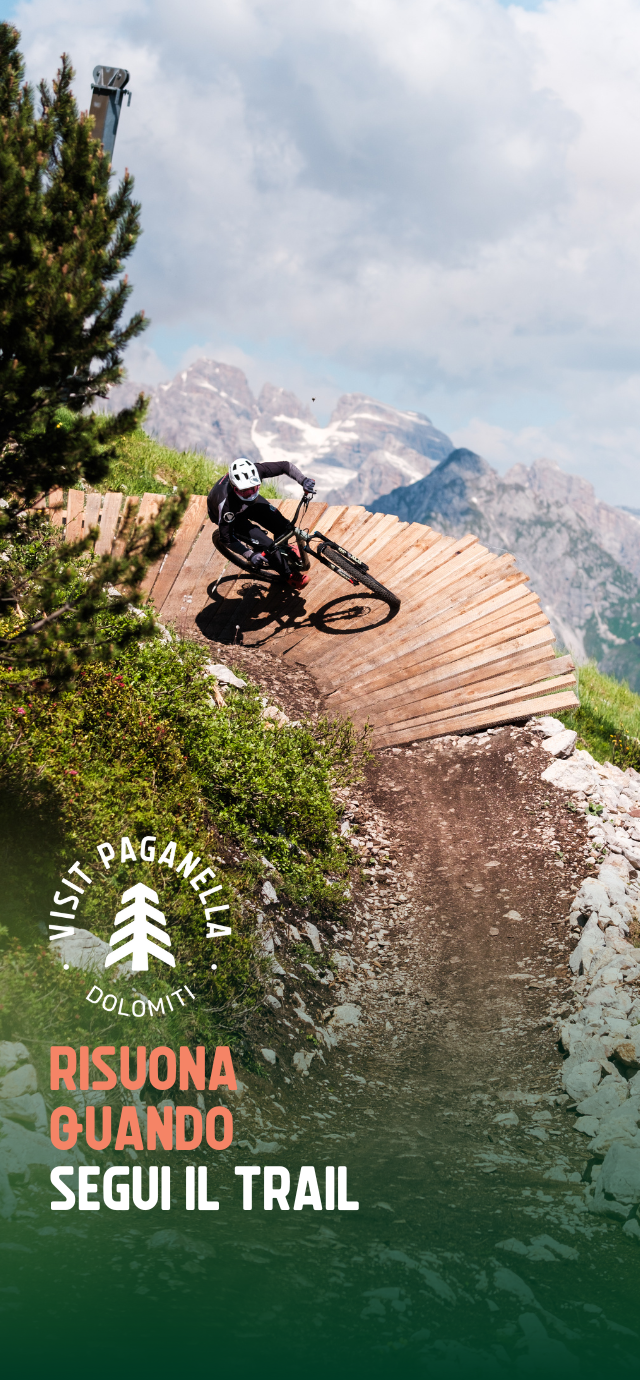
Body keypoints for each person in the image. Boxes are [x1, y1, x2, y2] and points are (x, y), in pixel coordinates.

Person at [207, 457, 316, 589]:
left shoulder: (255, 471)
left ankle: (284, 549)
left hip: (248, 504)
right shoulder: (225, 505)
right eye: (245, 491)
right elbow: (226, 538)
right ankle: (289, 575)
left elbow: (285, 466)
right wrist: (249, 555)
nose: (250, 494)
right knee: (268, 545)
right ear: (235, 488)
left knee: (284, 527)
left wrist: (303, 480)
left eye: (253, 488)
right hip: (232, 515)